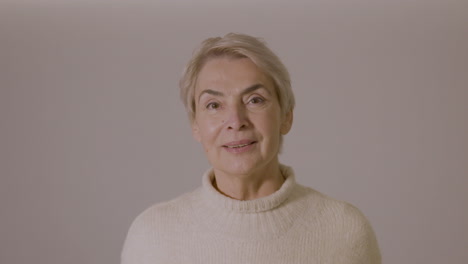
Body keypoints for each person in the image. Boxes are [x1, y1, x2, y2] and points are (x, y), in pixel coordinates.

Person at [121, 33, 381, 264]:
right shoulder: (152, 235)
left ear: (286, 116)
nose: (236, 121)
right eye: (214, 105)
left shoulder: (345, 230)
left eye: (255, 100)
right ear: (195, 125)